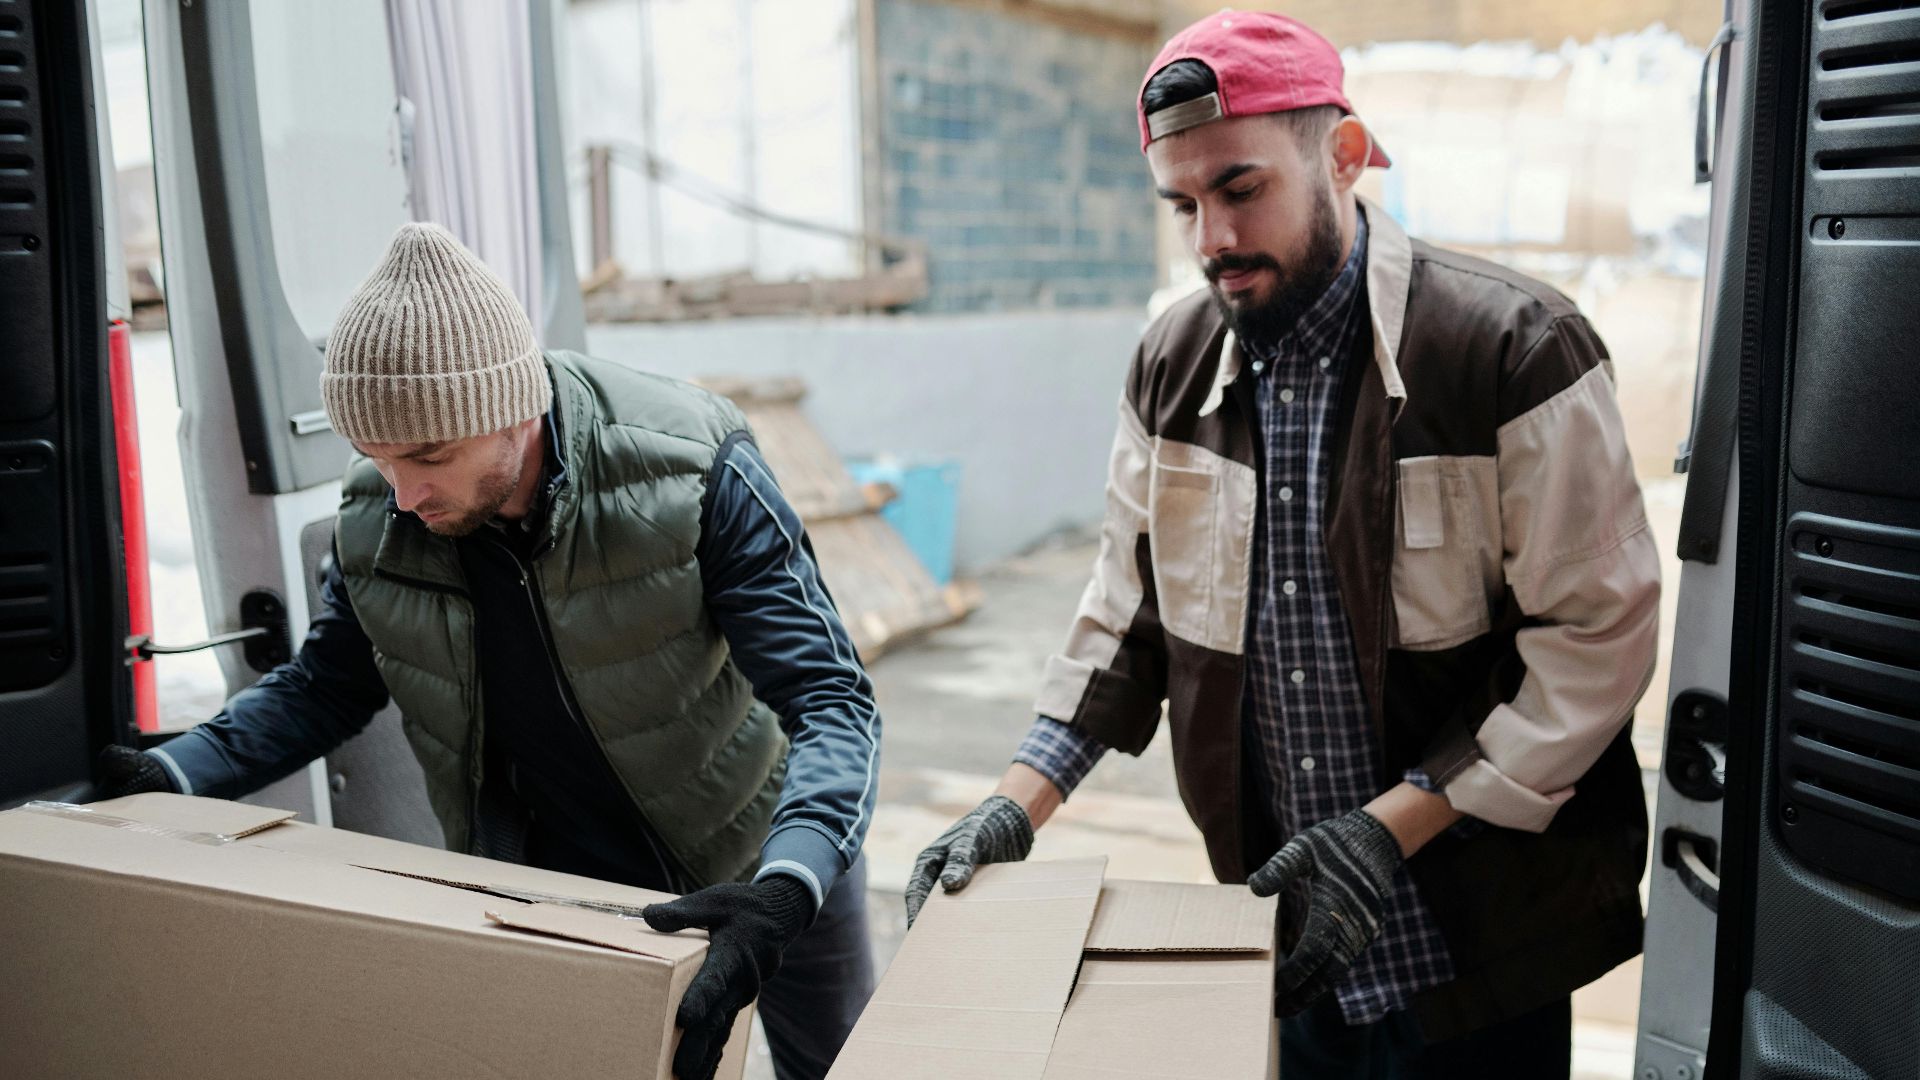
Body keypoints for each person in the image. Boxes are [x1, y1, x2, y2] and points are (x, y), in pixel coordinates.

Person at [907, 13, 1659, 1079]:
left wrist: (1390, 828)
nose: (1211, 236)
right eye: (1184, 204)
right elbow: (1129, 611)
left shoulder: (1511, 350)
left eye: (1241, 189)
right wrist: (1012, 804)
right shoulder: (1170, 361)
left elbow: (1597, 639)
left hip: (1477, 950)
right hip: (1285, 932)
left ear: (1342, 156)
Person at [97, 222, 880, 1080]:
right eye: (375, 459)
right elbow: (325, 687)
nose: (403, 494)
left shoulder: (691, 465)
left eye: (429, 456)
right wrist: (173, 772)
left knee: (840, 1066)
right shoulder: (381, 517)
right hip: (572, 892)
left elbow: (833, 699)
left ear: (514, 406)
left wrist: (789, 886)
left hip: (767, 854)